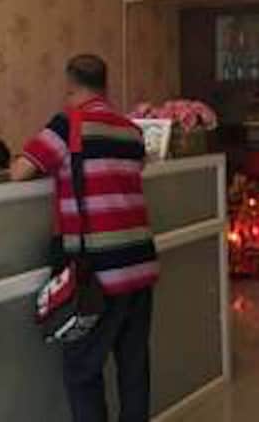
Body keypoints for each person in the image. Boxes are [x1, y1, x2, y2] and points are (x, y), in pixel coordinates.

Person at [10, 54, 158, 422]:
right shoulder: (131, 130)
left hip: (98, 272)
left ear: (70, 85)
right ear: (105, 85)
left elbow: (19, 172)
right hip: (140, 264)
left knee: (82, 370)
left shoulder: (67, 125)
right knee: (134, 368)